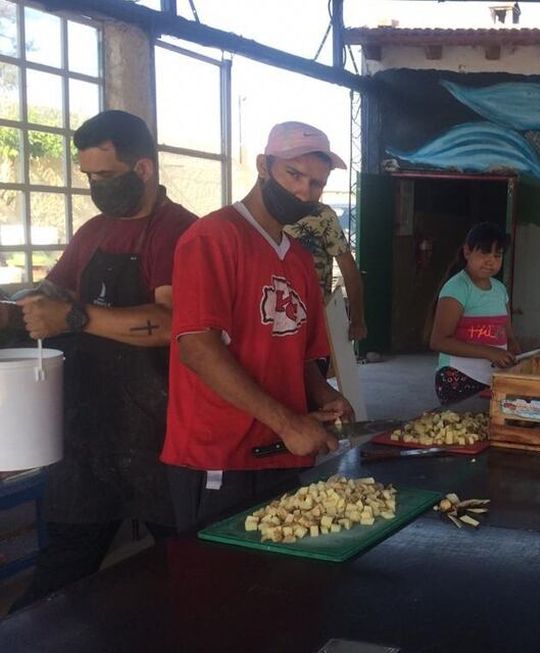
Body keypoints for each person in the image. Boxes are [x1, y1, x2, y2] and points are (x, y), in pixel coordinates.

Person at [12, 110, 197, 610]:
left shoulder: (180, 233)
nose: (96, 187)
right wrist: (22, 307)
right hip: (92, 433)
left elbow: (171, 325)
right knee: (62, 569)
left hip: (161, 435)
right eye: (90, 177)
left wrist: (74, 318)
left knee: (186, 566)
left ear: (143, 169)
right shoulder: (94, 231)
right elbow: (50, 293)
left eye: (107, 176)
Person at [161, 121, 354, 533]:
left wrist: (324, 394)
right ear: (264, 166)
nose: (304, 192)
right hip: (222, 457)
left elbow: (298, 351)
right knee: (219, 587)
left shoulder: (300, 259)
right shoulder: (212, 238)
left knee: (282, 585)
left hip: (284, 453)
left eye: (317, 184)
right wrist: (287, 422)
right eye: (294, 175)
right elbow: (197, 348)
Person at [429, 223, 520, 405]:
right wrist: (489, 352)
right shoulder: (457, 288)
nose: (490, 261)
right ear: (467, 252)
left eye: (497, 255)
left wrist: (514, 350)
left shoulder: (500, 290)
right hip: (459, 378)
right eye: (484, 253)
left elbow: (508, 334)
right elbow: (438, 341)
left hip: (493, 378)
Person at [284, 199, 367, 341]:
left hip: (316, 323)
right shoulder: (263, 217)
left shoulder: (323, 216)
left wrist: (357, 319)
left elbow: (349, 271)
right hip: (276, 319)